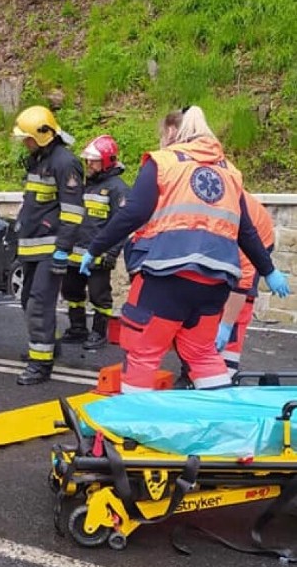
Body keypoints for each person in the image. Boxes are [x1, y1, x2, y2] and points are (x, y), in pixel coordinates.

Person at [81, 106, 289, 393]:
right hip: (215, 283)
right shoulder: (228, 171)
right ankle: (217, 425)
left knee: (143, 352)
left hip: (167, 277)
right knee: (203, 355)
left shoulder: (164, 162)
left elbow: (134, 213)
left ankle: (135, 427)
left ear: (170, 132)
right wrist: (270, 271)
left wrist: (95, 248)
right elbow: (246, 231)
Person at [11, 104, 85, 385]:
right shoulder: (40, 159)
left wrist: (62, 250)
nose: (25, 142)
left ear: (42, 136)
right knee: (27, 300)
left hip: (50, 248)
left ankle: (40, 365)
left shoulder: (64, 163)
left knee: (40, 304)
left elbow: (73, 212)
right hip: (32, 247)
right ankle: (47, 347)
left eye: (27, 137)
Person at [61, 134, 129, 351]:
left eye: (94, 160)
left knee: (100, 296)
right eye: (87, 160)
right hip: (75, 254)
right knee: (72, 292)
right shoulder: (85, 185)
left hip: (99, 255)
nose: (89, 164)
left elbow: (123, 224)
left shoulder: (117, 188)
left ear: (107, 161)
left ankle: (99, 332)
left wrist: (112, 253)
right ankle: (77, 328)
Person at [216, 192, 276, 375]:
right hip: (221, 235)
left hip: (257, 241)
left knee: (239, 305)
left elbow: (243, 281)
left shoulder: (240, 226)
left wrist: (226, 325)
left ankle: (229, 366)